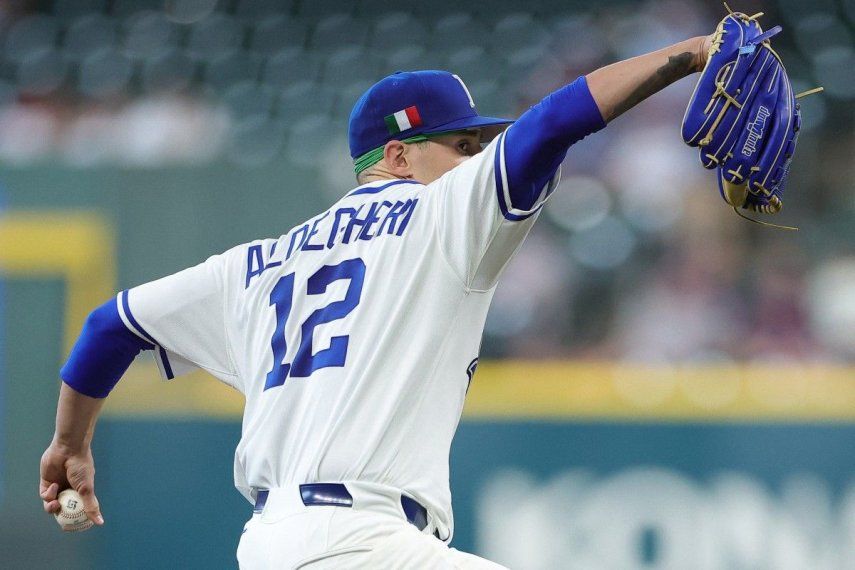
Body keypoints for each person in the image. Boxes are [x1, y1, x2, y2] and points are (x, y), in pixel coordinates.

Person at [40, 32, 711, 568]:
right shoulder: (440, 215)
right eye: (461, 145)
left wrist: (71, 443)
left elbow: (108, 327)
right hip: (358, 542)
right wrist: (693, 53)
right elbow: (552, 123)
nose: (477, 159)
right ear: (397, 155)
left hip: (274, 544)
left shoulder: (249, 267)